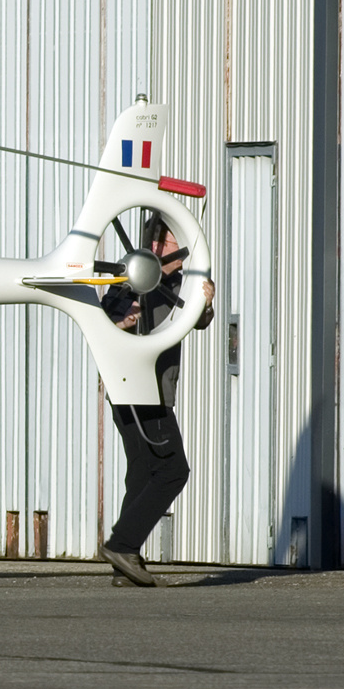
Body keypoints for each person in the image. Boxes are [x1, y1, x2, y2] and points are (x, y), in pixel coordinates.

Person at [99, 215, 215, 587]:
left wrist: (206, 304)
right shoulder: (131, 278)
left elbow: (198, 321)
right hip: (139, 390)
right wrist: (124, 324)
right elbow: (105, 318)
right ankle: (122, 545)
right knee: (172, 471)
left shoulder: (181, 284)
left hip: (145, 390)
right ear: (155, 246)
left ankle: (125, 566)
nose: (179, 249)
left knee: (142, 472)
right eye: (171, 242)